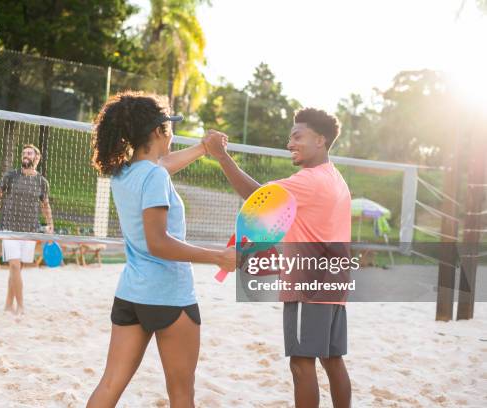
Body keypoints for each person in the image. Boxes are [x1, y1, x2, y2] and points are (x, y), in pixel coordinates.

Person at [86, 91, 236, 408]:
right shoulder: (154, 176)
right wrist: (217, 257)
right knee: (181, 396)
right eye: (170, 128)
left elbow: (162, 164)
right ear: (158, 132)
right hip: (169, 296)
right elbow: (159, 242)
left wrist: (203, 149)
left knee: (109, 384)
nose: (173, 134)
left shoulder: (124, 172)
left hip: (131, 294)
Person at [204, 108, 352, 408]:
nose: (290, 144)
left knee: (301, 364)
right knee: (332, 359)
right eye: (290, 137)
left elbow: (259, 199)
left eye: (298, 137)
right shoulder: (335, 178)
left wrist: (221, 156)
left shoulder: (309, 180)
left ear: (320, 140)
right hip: (334, 281)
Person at [0, 144, 53, 315]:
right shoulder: (11, 176)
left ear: (37, 158)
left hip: (29, 229)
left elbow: (45, 205)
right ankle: (21, 306)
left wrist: (51, 225)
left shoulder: (41, 182)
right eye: (24, 153)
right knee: (14, 266)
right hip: (9, 227)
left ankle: (8, 304)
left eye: (29, 153)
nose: (25, 155)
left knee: (17, 268)